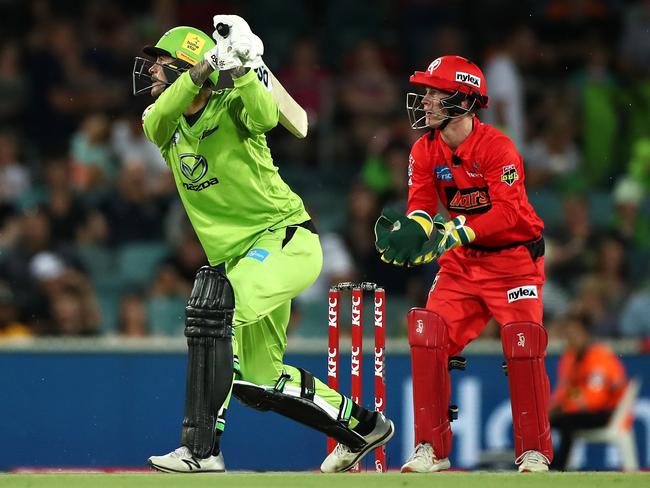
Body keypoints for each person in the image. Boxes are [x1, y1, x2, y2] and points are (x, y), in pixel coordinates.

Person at [132, 17, 393, 473]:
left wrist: (246, 66)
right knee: (259, 382)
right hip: (242, 259)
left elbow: (269, 115)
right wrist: (202, 68)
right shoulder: (164, 121)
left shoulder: (232, 107)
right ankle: (362, 427)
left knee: (216, 310)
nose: (151, 72)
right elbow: (154, 125)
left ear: (185, 68)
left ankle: (201, 450)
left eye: (160, 64)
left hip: (284, 240)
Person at [375, 55, 552, 472]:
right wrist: (417, 233)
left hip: (514, 261)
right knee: (428, 336)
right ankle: (432, 449)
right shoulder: (424, 148)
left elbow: (508, 214)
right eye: (426, 92)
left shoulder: (499, 148)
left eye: (436, 93)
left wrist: (455, 230)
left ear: (465, 101)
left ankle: (534, 452)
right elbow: (421, 208)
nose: (426, 101)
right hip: (462, 264)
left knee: (523, 344)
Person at [549, 310, 628, 470]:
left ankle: (559, 466)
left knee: (567, 421)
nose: (571, 338)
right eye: (568, 334)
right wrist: (552, 409)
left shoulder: (600, 357)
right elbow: (566, 389)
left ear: (586, 335)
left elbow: (595, 399)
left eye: (575, 334)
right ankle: (546, 461)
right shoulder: (569, 357)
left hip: (609, 412)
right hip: (583, 410)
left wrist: (564, 406)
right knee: (547, 421)